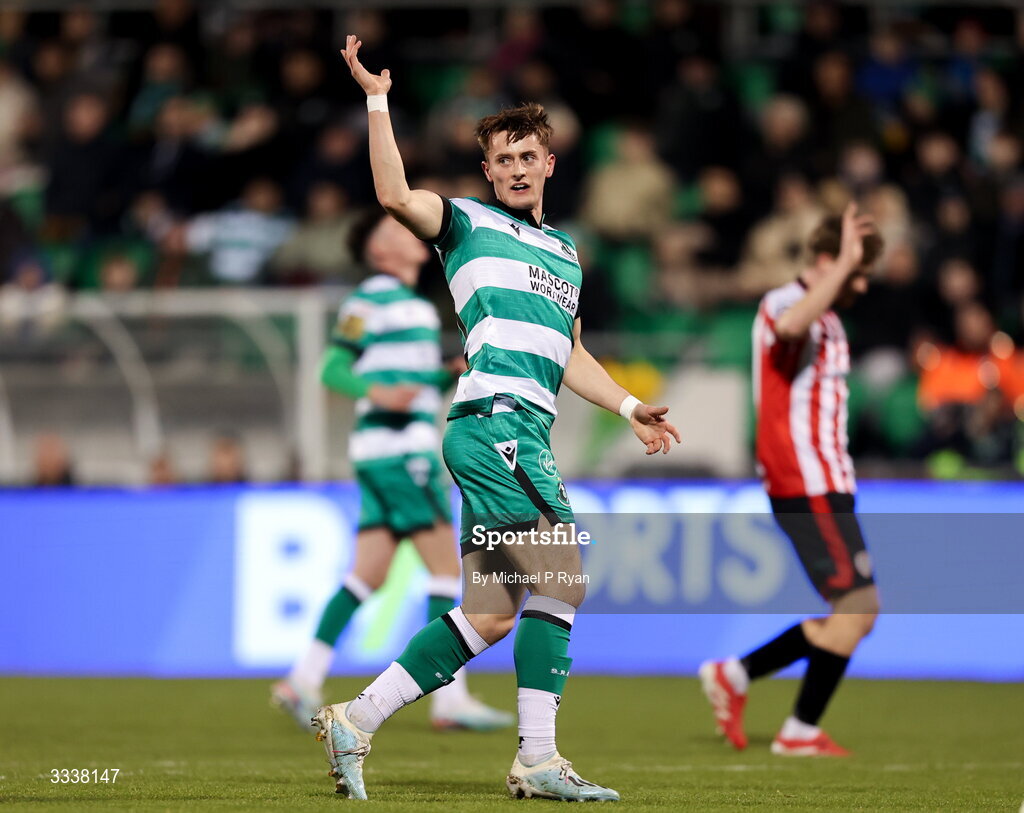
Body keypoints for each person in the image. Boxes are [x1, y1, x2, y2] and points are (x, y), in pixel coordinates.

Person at [308, 35, 681, 802]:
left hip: (518, 435)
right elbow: (392, 196)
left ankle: (355, 717)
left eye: (527, 156)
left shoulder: (569, 256)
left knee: (491, 610)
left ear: (549, 163)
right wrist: (377, 100)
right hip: (494, 427)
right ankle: (537, 758)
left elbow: (571, 354)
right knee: (563, 579)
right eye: (501, 159)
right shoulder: (467, 225)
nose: (515, 168)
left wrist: (629, 405)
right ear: (487, 171)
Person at [271, 207, 513, 733]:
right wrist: (376, 391)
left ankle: (302, 677)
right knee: (449, 571)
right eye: (393, 229)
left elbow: (401, 373)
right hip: (401, 451)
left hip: (381, 454)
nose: (408, 231)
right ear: (379, 250)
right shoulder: (368, 299)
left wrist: (439, 371)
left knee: (368, 573)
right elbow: (332, 367)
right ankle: (449, 698)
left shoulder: (414, 308)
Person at [700, 203, 883, 757]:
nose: (864, 284)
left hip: (824, 479)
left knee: (853, 611)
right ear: (828, 261)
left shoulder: (827, 316)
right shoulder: (788, 302)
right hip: (804, 479)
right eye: (856, 271)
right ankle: (792, 724)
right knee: (859, 608)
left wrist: (844, 270)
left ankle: (741, 678)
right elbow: (787, 326)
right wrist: (841, 265)